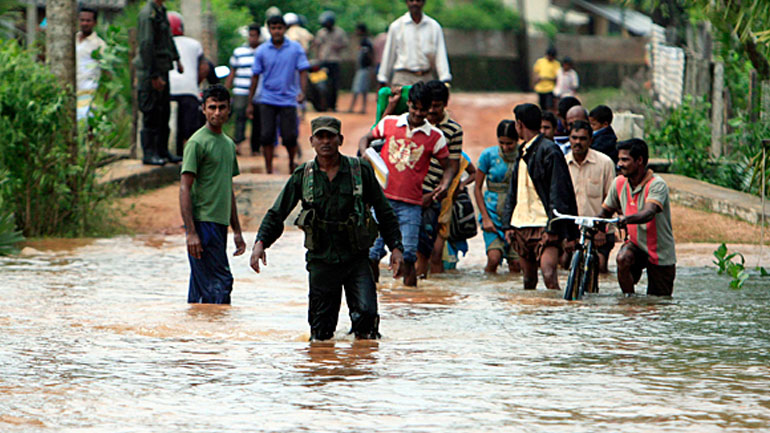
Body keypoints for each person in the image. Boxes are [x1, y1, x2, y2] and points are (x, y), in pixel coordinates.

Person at [250, 116, 404, 341]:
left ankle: (361, 370)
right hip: (321, 260)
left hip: (356, 258)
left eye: (330, 136)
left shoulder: (359, 171)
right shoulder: (303, 175)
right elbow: (277, 213)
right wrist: (260, 243)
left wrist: (396, 247)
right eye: (320, 137)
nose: (325, 142)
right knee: (321, 333)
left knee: (367, 320)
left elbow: (384, 211)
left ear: (340, 139)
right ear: (312, 140)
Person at [359, 82, 450, 286]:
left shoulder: (435, 137)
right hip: (382, 201)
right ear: (408, 104)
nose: (418, 114)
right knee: (372, 253)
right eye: (414, 108)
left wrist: (444, 184)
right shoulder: (390, 123)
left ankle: (410, 301)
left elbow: (449, 164)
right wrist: (366, 153)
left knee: (409, 256)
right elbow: (365, 138)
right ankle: (373, 294)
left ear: (429, 109)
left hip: (412, 204)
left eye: (423, 110)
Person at [179, 84, 246, 304]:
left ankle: (201, 333)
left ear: (229, 110)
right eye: (212, 107)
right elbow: (184, 188)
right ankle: (219, 334)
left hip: (219, 225)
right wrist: (191, 232)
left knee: (202, 289)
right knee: (221, 283)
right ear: (204, 109)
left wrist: (236, 230)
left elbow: (228, 189)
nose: (217, 112)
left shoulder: (228, 144)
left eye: (222, 107)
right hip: (203, 224)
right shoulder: (197, 143)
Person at [502, 103, 578, 291]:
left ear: (519, 124)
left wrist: (554, 227)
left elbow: (558, 191)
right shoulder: (523, 152)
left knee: (549, 274)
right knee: (528, 280)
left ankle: (554, 315)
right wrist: (507, 224)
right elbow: (513, 190)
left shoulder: (549, 150)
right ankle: (536, 316)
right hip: (521, 224)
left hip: (544, 224)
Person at [596, 139, 676, 296]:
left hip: (660, 251)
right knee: (622, 258)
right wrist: (595, 224)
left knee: (659, 302)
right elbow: (605, 211)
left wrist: (625, 219)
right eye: (619, 159)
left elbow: (649, 212)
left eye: (625, 160)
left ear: (639, 160)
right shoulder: (618, 183)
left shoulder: (656, 185)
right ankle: (629, 302)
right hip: (635, 245)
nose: (619, 164)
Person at [246, 15, 310, 174]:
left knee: (289, 136)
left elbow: (303, 71)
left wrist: (302, 92)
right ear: (268, 30)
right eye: (273, 28)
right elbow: (255, 76)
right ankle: (268, 168)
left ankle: (290, 163)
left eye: (279, 28)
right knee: (266, 135)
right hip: (267, 99)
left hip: (288, 99)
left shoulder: (295, 49)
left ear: (285, 29)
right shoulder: (261, 50)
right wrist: (250, 102)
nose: (276, 31)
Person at [416, 80, 461, 276]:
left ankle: (432, 295)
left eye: (437, 106)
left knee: (434, 251)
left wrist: (437, 193)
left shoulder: (453, 130)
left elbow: (453, 166)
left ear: (445, 104)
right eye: (429, 106)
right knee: (412, 250)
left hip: (438, 196)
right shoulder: (415, 124)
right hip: (411, 194)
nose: (432, 110)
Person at [563, 121, 616, 272]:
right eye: (574, 138)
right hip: (572, 229)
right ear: (569, 139)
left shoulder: (605, 163)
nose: (577, 142)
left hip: (599, 228)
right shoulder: (563, 163)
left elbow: (611, 199)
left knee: (599, 266)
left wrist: (602, 230)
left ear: (591, 141)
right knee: (563, 264)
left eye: (582, 138)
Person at [135, 0, 183, 166]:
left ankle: (163, 151)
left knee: (164, 112)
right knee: (151, 112)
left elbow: (168, 38)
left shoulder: (161, 11)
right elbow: (146, 44)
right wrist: (154, 75)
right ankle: (149, 153)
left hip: (163, 68)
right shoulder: (148, 14)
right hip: (150, 72)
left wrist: (177, 59)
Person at [474, 120, 521, 274]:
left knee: (516, 264)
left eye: (510, 144)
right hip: (492, 213)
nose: (505, 147)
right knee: (494, 258)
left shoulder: (524, 155)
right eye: (502, 143)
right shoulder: (488, 155)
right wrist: (485, 217)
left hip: (516, 216)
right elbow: (477, 188)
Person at [377, 0, 452, 87]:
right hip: (403, 77)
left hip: (426, 77)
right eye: (411, 0)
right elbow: (389, 54)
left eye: (418, 0)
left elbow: (440, 54)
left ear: (424, 2)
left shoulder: (434, 26)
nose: (415, 3)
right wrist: (382, 78)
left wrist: (445, 78)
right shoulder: (397, 26)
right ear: (406, 2)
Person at [168, 12, 205, 157]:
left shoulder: (162, 43)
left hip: (168, 89)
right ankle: (191, 158)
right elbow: (204, 68)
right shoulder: (194, 44)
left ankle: (173, 153)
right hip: (189, 90)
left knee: (169, 126)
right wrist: (195, 83)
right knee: (190, 129)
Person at [226, 23, 261, 156]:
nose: (252, 38)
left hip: (257, 91)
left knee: (257, 119)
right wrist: (227, 90)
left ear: (258, 36)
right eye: (250, 35)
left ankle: (255, 147)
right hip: (240, 90)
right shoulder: (239, 52)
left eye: (254, 36)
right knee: (239, 116)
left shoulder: (262, 52)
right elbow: (232, 72)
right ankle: (238, 144)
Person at [75, 6, 106, 121]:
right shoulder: (71, 40)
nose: (84, 23)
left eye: (88, 21)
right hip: (71, 92)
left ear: (95, 23)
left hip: (89, 94)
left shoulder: (99, 45)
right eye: (82, 20)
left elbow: (106, 71)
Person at [313, 11, 348, 112]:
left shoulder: (339, 32)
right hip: (323, 61)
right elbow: (317, 45)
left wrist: (337, 46)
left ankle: (332, 105)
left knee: (334, 84)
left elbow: (345, 44)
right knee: (321, 83)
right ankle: (322, 104)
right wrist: (317, 58)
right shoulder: (321, 33)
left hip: (334, 61)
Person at [348, 23, 374, 114]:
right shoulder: (364, 41)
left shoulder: (366, 42)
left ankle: (356, 107)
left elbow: (369, 55)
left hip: (364, 68)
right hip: (363, 68)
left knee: (359, 88)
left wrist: (370, 66)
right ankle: (359, 107)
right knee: (360, 88)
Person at [532, 47, 560, 112]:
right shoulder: (540, 62)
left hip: (550, 88)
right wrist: (535, 81)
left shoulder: (556, 64)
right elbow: (535, 73)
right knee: (542, 106)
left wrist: (547, 78)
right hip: (540, 88)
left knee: (549, 106)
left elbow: (557, 77)